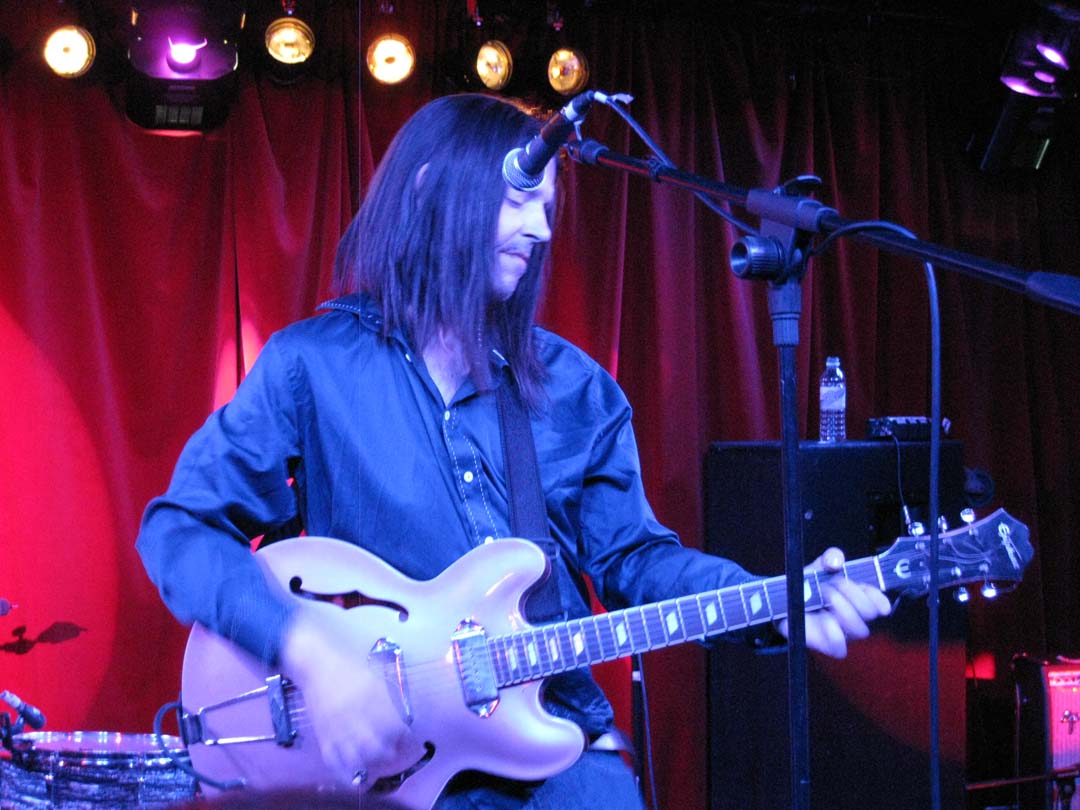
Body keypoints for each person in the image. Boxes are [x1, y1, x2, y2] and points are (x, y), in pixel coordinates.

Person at [136, 93, 891, 809]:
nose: (541, 229)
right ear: (433, 191)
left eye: (549, 208)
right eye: (521, 198)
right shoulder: (312, 367)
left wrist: (769, 602)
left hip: (552, 741)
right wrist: (304, 651)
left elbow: (635, 559)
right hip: (391, 763)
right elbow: (179, 530)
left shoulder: (572, 388)